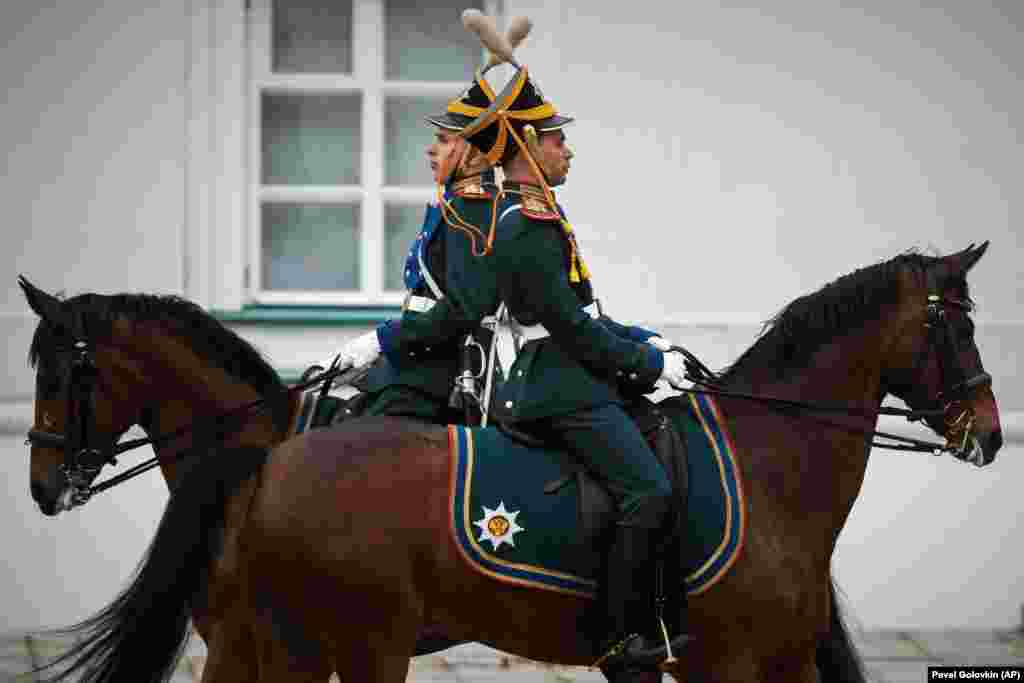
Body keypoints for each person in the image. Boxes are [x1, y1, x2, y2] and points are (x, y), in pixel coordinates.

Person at [456, 53, 691, 678]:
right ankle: (619, 637)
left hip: (565, 372)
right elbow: (572, 329)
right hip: (555, 386)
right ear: (529, 145)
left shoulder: (541, 216)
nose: (569, 152)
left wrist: (653, 346)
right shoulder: (527, 226)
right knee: (649, 487)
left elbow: (587, 312)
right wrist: (644, 366)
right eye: (560, 140)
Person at [335, 73, 502, 425]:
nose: (430, 149)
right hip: (419, 357)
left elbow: (462, 309)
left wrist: (382, 340)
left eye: (443, 141)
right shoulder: (455, 204)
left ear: (472, 152)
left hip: (442, 372)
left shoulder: (472, 209)